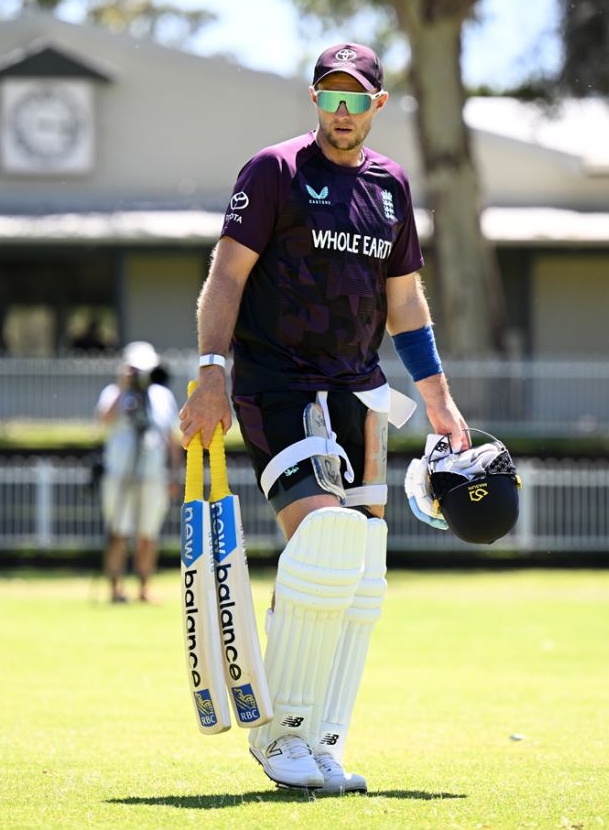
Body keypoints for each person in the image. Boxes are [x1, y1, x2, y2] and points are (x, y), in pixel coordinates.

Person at [178, 42, 470, 794]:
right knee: (325, 540)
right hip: (278, 384)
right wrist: (212, 373)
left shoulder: (392, 188)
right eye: (329, 96)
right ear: (316, 100)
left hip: (359, 391)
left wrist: (436, 396)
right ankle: (279, 735)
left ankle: (323, 739)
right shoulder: (274, 172)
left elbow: (404, 300)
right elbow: (226, 276)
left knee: (360, 571)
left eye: (356, 98)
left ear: (377, 104)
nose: (342, 111)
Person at [97, 341, 181, 603]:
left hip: (153, 474)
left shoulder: (162, 396)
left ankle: (145, 586)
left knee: (148, 533)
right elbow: (104, 420)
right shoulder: (113, 392)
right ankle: (115, 587)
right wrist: (123, 386)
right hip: (119, 473)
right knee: (118, 532)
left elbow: (171, 438)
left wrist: (174, 474)